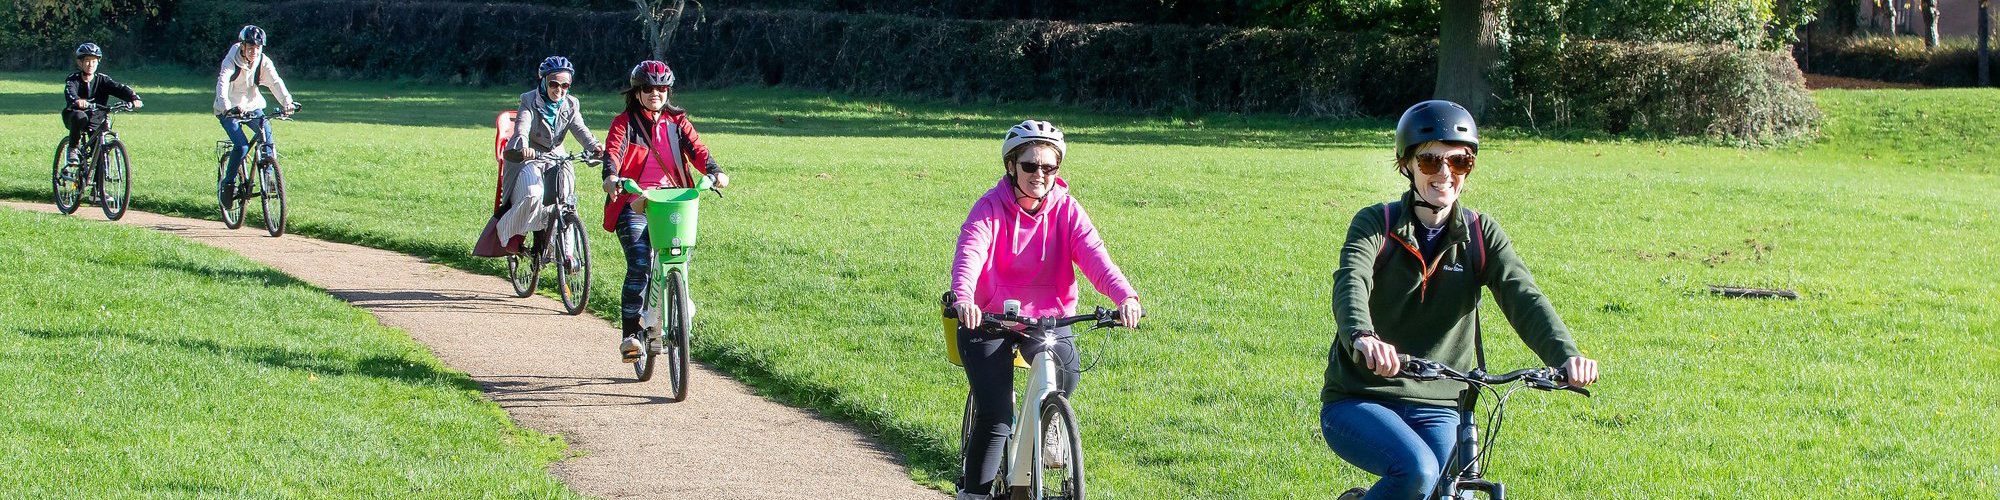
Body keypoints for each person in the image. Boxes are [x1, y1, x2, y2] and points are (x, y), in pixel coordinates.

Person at [1320, 100, 1601, 500]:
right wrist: (1362, 336)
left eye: (1461, 162)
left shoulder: (1480, 234)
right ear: (1408, 165)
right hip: (1361, 397)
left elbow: (1523, 295)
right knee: (1418, 471)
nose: (1445, 175)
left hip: (1442, 404)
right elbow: (1352, 280)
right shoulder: (1376, 224)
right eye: (1432, 161)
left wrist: (1565, 355)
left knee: (1455, 491)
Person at [948, 120, 1143, 500]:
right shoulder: (989, 207)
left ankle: (1051, 423)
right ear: (1011, 166)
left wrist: (1126, 297)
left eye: (1049, 167)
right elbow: (970, 252)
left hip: (1046, 320)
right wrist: (964, 298)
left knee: (1066, 375)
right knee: (996, 417)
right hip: (986, 319)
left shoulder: (1067, 211)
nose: (1040, 174)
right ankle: (974, 495)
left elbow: (1096, 258)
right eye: (1030, 166)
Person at [599, 60, 728, 360]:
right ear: (636, 92)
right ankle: (631, 334)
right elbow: (613, 153)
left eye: (661, 88)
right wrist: (611, 178)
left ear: (668, 91)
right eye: (648, 88)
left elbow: (699, 151)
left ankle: (676, 307)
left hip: (673, 201)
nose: (655, 93)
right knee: (640, 264)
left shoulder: (677, 121)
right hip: (634, 201)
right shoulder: (624, 123)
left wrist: (715, 171)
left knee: (679, 260)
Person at [498, 56, 602, 252]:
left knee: (565, 201)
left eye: (565, 85)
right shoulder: (529, 99)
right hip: (527, 156)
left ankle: (567, 255)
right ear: (543, 81)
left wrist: (594, 146)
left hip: (556, 155)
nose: (559, 90)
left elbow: (580, 129)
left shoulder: (571, 104)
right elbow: (522, 126)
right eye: (553, 83)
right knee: (533, 194)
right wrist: (523, 146)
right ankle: (509, 233)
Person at [213, 25, 297, 201]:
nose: (254, 51)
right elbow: (222, 82)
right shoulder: (231, 60)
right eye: (250, 47)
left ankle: (268, 177)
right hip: (229, 110)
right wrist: (228, 107)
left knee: (266, 136)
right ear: (242, 46)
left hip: (252, 106)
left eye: (258, 48)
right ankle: (228, 185)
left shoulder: (263, 61)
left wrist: (287, 102)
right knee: (242, 145)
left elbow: (275, 82)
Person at [62, 42, 142, 188]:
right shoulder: (73, 79)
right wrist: (78, 101)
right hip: (75, 116)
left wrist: (134, 98)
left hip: (96, 119)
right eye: (87, 61)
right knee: (80, 116)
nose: (90, 64)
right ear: (80, 62)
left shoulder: (102, 80)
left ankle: (99, 192)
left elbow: (119, 88)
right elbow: (70, 92)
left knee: (100, 152)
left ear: (98, 62)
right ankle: (73, 148)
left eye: (94, 61)